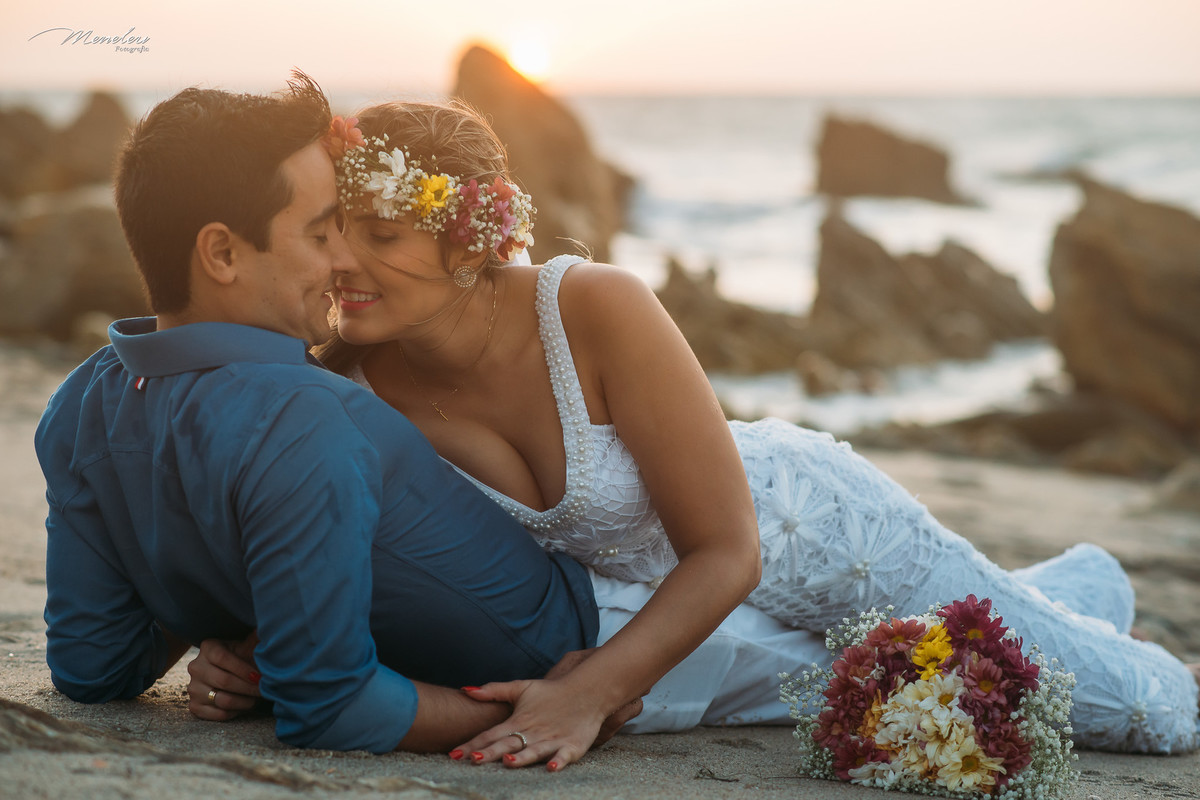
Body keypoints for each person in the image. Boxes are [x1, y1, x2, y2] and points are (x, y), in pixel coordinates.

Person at [196, 98, 1199, 765]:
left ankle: (1090, 614)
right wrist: (245, 645)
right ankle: (1078, 587)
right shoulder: (350, 377)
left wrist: (589, 692)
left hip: (806, 531)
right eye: (335, 232)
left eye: (382, 235)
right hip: (656, 597)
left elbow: (728, 547)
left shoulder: (592, 304)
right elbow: (317, 524)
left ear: (469, 237)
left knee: (1147, 717)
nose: (345, 266)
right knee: (931, 662)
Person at [33, 75, 654, 759]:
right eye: (322, 230)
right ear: (222, 253)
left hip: (622, 607)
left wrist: (222, 618)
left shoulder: (81, 402)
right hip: (558, 644)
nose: (340, 260)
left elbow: (94, 668)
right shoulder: (308, 414)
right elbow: (326, 703)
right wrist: (507, 709)